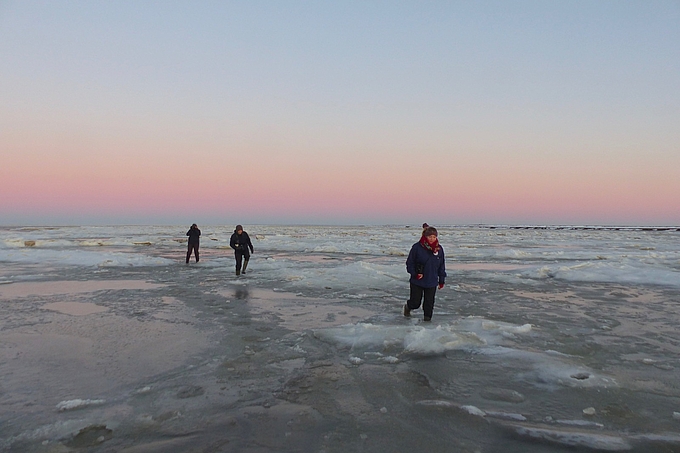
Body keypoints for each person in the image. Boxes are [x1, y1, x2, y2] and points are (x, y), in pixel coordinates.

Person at [404, 226, 446, 321]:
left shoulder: (439, 249)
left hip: (432, 281)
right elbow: (410, 263)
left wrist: (441, 280)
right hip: (417, 281)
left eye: (434, 237)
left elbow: (441, 265)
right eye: (430, 236)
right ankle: (408, 307)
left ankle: (427, 321)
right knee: (415, 303)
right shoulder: (417, 247)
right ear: (425, 236)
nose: (432, 239)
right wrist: (415, 273)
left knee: (429, 304)